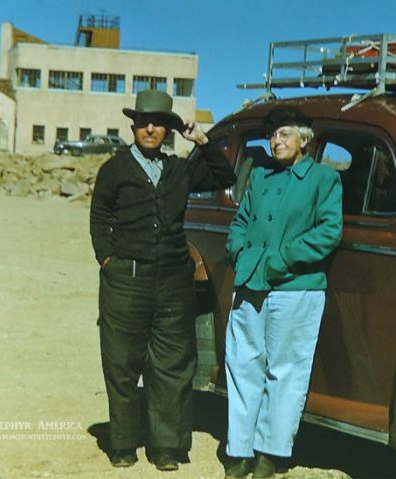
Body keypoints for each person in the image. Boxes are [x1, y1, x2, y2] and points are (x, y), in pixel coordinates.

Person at [90, 89, 236, 471]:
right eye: (144, 122)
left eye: (158, 123)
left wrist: (202, 140)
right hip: (126, 280)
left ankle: (167, 447)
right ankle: (123, 443)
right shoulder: (115, 169)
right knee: (122, 362)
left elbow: (226, 174)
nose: (150, 128)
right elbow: (99, 215)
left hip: (174, 281)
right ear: (134, 125)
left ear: (170, 129)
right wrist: (107, 259)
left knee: (172, 365)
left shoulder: (179, 169)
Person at [224, 105, 343, 478]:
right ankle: (239, 450)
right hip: (250, 283)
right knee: (242, 366)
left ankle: (270, 453)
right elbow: (240, 221)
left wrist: (279, 259)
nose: (277, 141)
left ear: (303, 140)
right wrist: (239, 252)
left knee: (285, 372)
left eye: (285, 134)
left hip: (296, 288)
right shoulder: (259, 176)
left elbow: (328, 232)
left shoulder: (324, 180)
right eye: (273, 135)